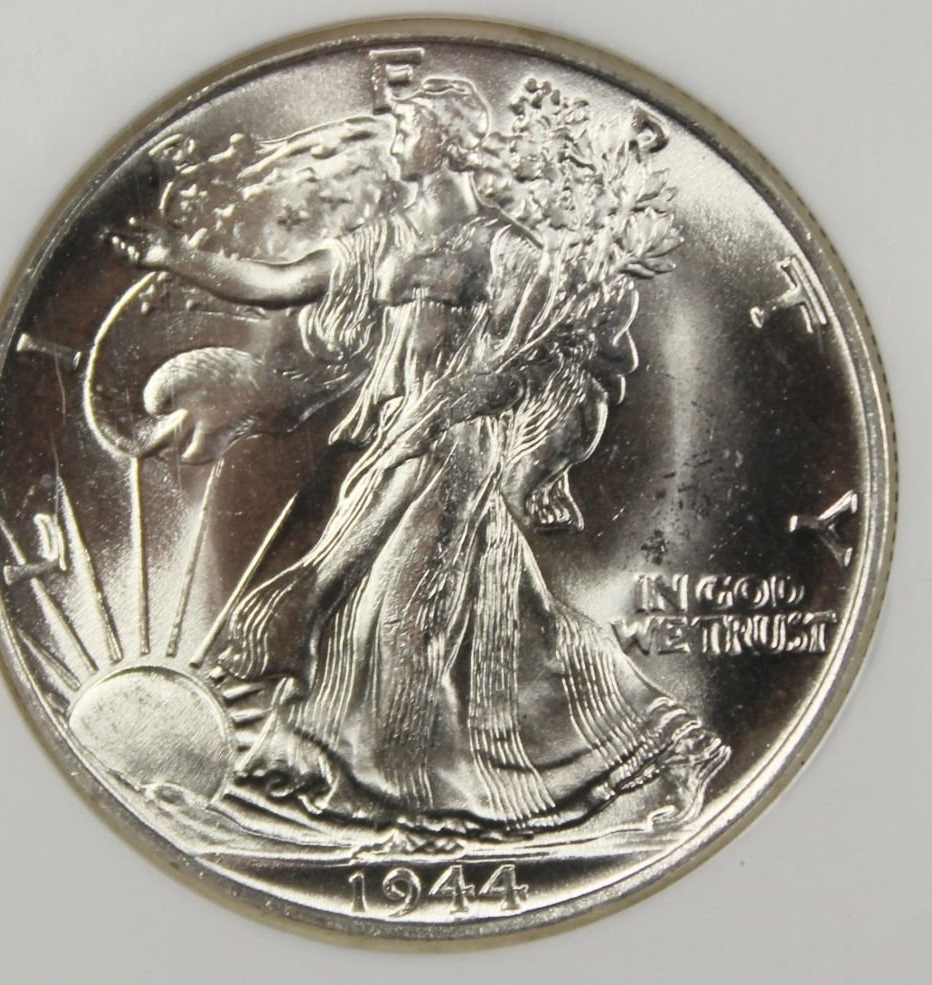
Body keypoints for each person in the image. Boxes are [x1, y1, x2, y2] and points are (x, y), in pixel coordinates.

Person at [109, 77, 728, 835]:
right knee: (413, 613)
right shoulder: (386, 238)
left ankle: (417, 786)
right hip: (401, 437)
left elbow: (525, 360)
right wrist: (175, 257)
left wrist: (464, 400)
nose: (397, 142)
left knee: (405, 608)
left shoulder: (505, 246)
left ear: (449, 140)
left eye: (410, 128)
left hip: (459, 447)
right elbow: (283, 284)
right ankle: (405, 777)